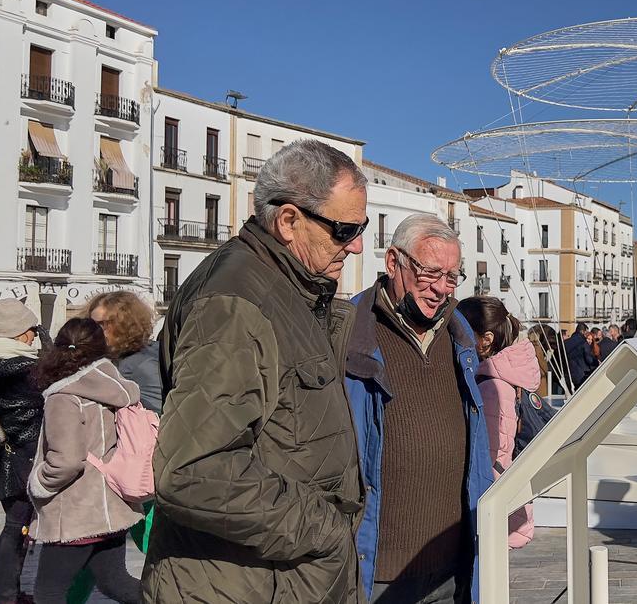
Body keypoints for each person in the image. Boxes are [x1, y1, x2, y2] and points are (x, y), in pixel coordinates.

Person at [142, 140, 367, 603]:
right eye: (344, 229)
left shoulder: (286, 290)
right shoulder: (235, 304)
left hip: (277, 579)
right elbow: (193, 470)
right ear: (289, 221)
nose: (358, 245)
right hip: (238, 585)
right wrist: (325, 530)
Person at [344, 212, 493, 603]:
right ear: (394, 262)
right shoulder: (348, 332)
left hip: (453, 569)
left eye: (451, 276)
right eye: (430, 273)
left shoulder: (459, 337)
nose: (441, 288)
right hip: (377, 573)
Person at [28, 318, 143, 604]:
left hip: (76, 512)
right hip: (111, 506)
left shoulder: (64, 397)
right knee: (115, 582)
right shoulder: (116, 389)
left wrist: (38, 483)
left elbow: (67, 461)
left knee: (47, 593)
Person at [457, 296, 540, 550]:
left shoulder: (494, 388)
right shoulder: (504, 378)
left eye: (461, 331)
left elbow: (494, 456)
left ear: (486, 340)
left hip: (494, 513)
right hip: (504, 508)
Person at [0, 299, 45, 604]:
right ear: (16, 333)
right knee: (17, 526)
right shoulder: (20, 368)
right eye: (31, 329)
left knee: (18, 525)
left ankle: (4, 590)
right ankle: (4, 593)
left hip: (4, 457)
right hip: (20, 457)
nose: (34, 336)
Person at [85, 292, 162, 413]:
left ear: (126, 324)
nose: (96, 331)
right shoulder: (151, 352)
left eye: (104, 324)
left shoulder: (138, 365)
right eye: (92, 325)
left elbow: (160, 410)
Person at [564, 322, 598, 389]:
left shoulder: (565, 342)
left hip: (567, 375)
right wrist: (596, 363)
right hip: (582, 376)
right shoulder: (583, 343)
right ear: (582, 331)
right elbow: (589, 359)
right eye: (586, 332)